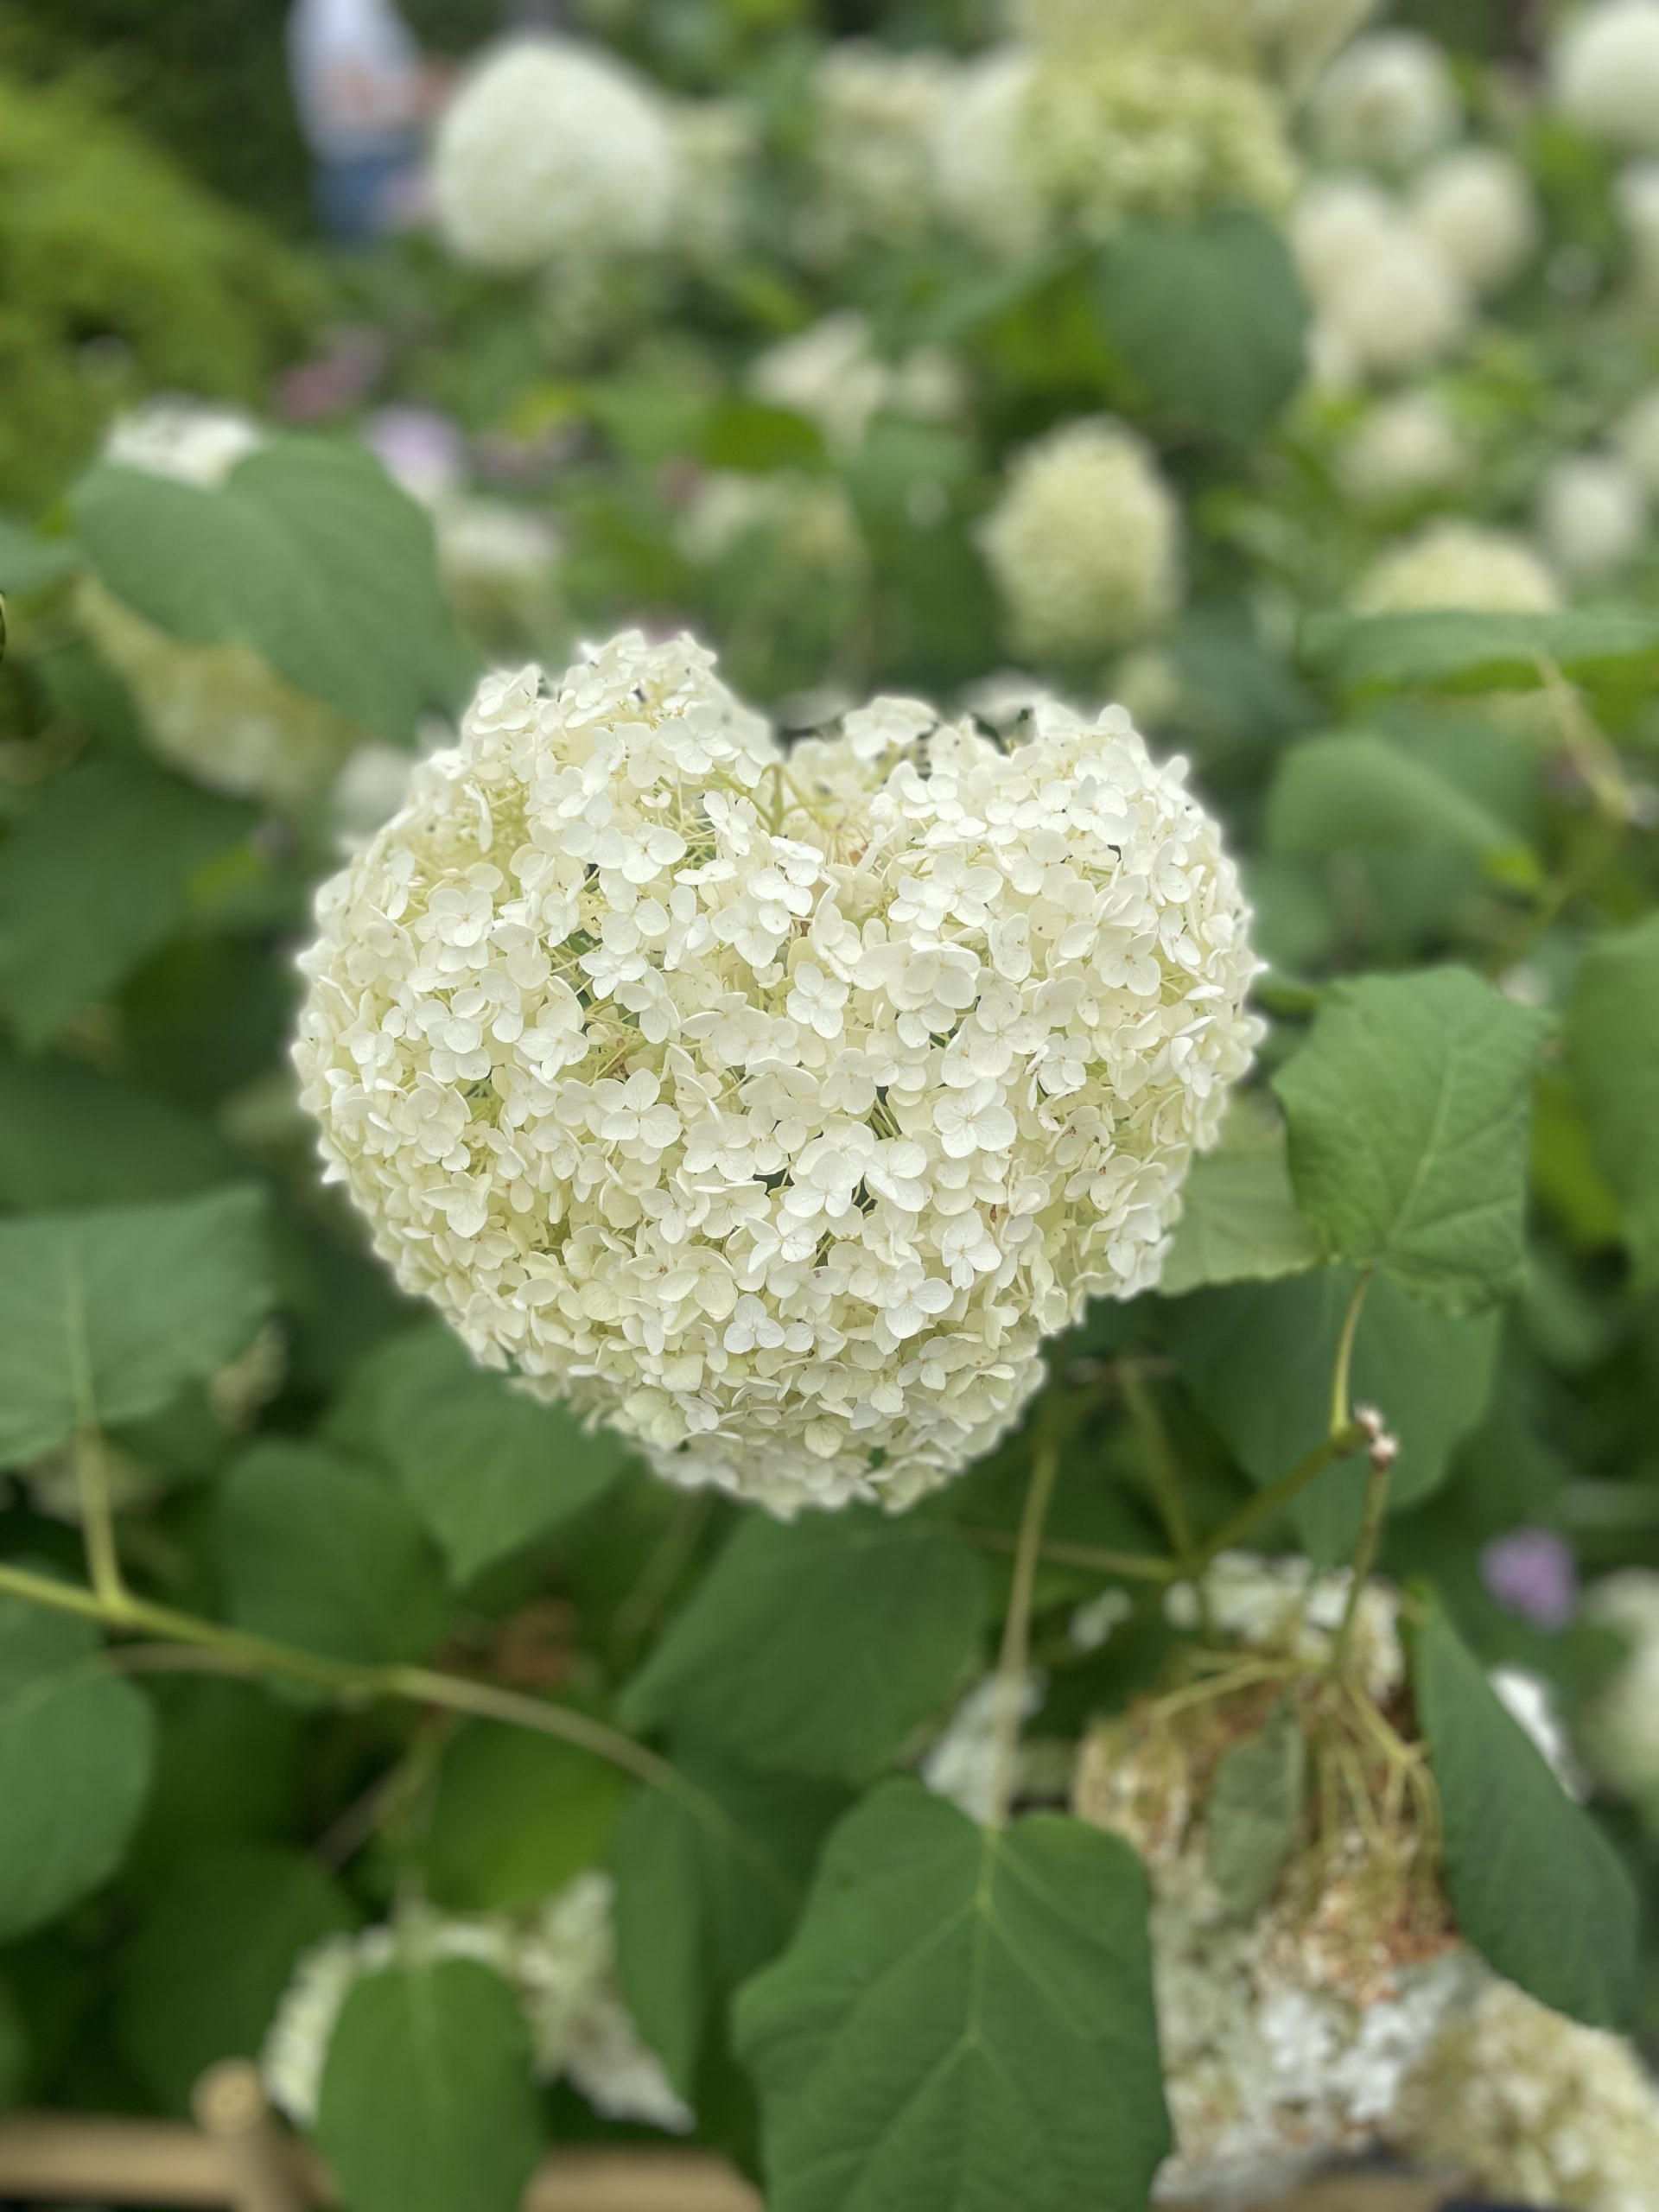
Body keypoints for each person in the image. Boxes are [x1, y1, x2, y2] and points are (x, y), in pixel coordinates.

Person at [286, 0, 429, 244]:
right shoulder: (344, 9)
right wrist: (425, 95)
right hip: (370, 169)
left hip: (358, 169)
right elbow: (351, 96)